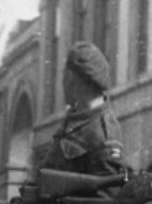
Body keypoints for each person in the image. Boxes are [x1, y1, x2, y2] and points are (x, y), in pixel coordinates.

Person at [40, 41, 125, 177]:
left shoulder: (103, 132)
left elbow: (106, 194)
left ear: (70, 78)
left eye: (64, 75)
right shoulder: (73, 120)